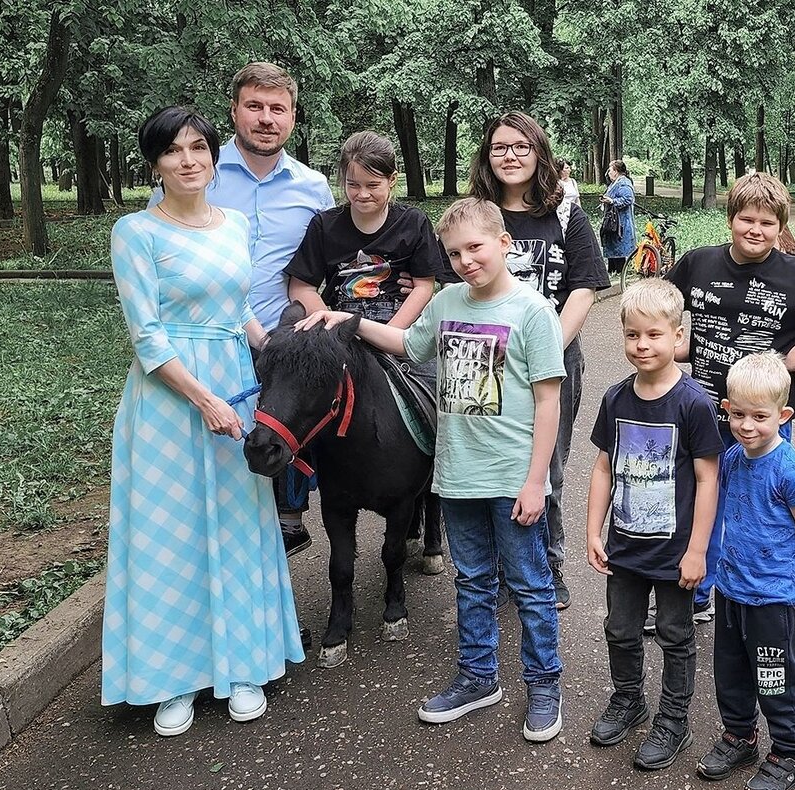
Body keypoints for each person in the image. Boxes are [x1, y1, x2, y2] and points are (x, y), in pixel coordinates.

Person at [296, 197, 567, 742]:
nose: (467, 260)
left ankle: (544, 685)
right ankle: (478, 676)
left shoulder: (533, 312)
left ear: (503, 244)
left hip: (512, 478)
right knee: (471, 582)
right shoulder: (444, 304)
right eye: (454, 252)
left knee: (530, 586)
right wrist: (345, 319)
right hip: (458, 475)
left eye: (476, 247)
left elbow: (547, 402)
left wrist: (536, 481)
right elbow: (406, 343)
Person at [104, 106, 304, 737]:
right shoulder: (136, 232)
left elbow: (238, 303)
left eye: (199, 147)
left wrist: (271, 358)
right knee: (171, 534)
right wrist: (205, 399)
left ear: (214, 156)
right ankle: (174, 679)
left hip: (236, 386)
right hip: (168, 399)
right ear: (155, 163)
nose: (189, 160)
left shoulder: (235, 224)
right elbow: (147, 336)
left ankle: (244, 666)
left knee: (241, 521)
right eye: (173, 150)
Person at [663, 172, 795, 625]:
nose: (755, 230)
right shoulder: (699, 263)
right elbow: (663, 303)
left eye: (767, 223)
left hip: (762, 419)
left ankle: (758, 593)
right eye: (745, 219)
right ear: (730, 219)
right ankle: (697, 592)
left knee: (756, 507)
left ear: (781, 227)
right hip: (704, 407)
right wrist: (671, 348)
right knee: (700, 498)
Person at [151, 62, 336, 558]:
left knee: (281, 464)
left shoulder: (313, 187)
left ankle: (284, 546)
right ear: (234, 111)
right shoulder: (197, 172)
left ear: (294, 117)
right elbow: (158, 252)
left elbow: (332, 258)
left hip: (284, 343)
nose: (266, 118)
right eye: (254, 106)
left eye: (278, 109)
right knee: (219, 478)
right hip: (209, 346)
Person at [469, 111, 609, 611]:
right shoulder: (477, 217)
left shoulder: (566, 215)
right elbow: (457, 279)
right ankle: (503, 567)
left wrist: (544, 351)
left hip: (554, 362)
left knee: (547, 464)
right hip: (486, 359)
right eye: (499, 147)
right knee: (494, 461)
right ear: (488, 157)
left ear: (539, 153)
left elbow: (584, 288)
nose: (510, 155)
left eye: (521, 147)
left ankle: (547, 565)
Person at [585, 279, 722, 770]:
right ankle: (628, 699)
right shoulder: (617, 398)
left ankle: (673, 719)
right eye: (631, 335)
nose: (641, 345)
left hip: (675, 551)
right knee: (620, 630)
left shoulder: (694, 404)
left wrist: (698, 550)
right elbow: (603, 466)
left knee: (674, 634)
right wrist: (592, 530)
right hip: (625, 545)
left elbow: (709, 481)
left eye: (654, 335)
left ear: (678, 337)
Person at [695, 351, 795, 790]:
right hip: (731, 591)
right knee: (730, 670)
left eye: (760, 417)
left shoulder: (789, 470)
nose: (747, 426)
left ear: (783, 415)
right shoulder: (733, 458)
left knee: (776, 678)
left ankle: (790, 754)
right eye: (739, 415)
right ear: (727, 409)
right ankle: (740, 736)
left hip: (772, 598)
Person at [285, 131, 437, 327]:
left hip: (399, 334)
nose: (363, 194)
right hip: (343, 334)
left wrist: (388, 336)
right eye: (353, 185)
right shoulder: (324, 226)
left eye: (373, 185)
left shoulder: (413, 223)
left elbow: (424, 286)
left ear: (392, 179)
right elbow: (301, 287)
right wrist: (335, 329)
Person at [600, 160, 636, 274]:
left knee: (618, 246)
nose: (608, 173)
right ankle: (612, 270)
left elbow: (627, 199)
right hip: (612, 220)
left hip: (621, 221)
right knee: (612, 245)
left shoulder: (624, 183)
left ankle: (620, 272)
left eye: (610, 170)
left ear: (616, 171)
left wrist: (612, 201)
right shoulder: (615, 183)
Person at [557, 158, 581, 231]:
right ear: (561, 170)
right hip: (561, 214)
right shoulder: (557, 183)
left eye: (569, 168)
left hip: (573, 212)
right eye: (567, 168)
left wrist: (580, 212)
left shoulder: (573, 181)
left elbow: (577, 198)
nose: (569, 170)